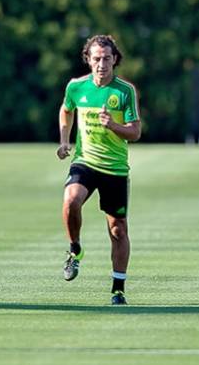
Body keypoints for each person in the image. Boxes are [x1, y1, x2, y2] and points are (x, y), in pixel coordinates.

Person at [57, 34, 141, 305]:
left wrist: (113, 126)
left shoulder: (124, 91)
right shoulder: (76, 87)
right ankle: (75, 249)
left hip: (115, 168)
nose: (101, 64)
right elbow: (66, 109)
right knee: (71, 200)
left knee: (118, 229)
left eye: (107, 58)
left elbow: (135, 132)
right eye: (96, 58)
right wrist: (64, 140)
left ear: (115, 59)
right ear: (88, 60)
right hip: (85, 162)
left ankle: (118, 289)